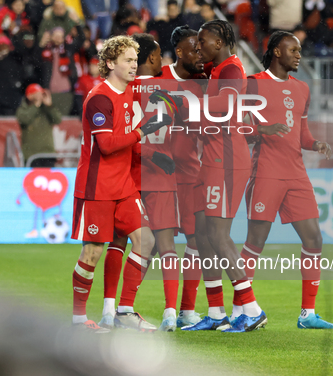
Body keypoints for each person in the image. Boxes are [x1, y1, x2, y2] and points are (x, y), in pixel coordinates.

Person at [241, 31, 333, 329]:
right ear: (276, 52)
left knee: (314, 238)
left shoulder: (302, 89)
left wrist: (316, 144)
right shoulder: (253, 84)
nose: (299, 55)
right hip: (266, 172)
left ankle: (307, 314)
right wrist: (261, 132)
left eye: (299, 50)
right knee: (255, 241)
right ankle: (242, 309)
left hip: (297, 173)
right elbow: (237, 130)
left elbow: (302, 134)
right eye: (293, 50)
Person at [70, 35, 170, 332]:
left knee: (146, 240)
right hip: (96, 187)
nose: (133, 65)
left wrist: (155, 155)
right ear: (110, 63)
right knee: (92, 253)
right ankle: (78, 319)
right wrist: (145, 130)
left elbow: (128, 143)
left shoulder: (128, 94)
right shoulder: (100, 97)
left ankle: (125, 311)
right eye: (127, 60)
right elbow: (108, 145)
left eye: (134, 60)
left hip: (123, 186)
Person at [178, 20, 272, 333]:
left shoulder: (232, 69)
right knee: (203, 233)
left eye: (202, 42)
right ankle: (217, 312)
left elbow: (228, 103)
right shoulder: (216, 70)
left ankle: (252, 308)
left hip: (228, 159)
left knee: (218, 234)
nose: (198, 47)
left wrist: (188, 103)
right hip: (213, 158)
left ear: (218, 44)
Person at [98, 33, 179, 331]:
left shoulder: (124, 90)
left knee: (118, 243)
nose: (162, 60)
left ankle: (110, 309)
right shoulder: (168, 89)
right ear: (151, 58)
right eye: (158, 55)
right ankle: (169, 312)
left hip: (128, 174)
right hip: (158, 177)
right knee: (164, 244)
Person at [160, 26, 208, 328]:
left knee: (196, 240)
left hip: (191, 173)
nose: (200, 55)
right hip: (158, 175)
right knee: (150, 244)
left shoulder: (203, 82)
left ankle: (187, 310)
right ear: (179, 51)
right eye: (194, 49)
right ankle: (125, 307)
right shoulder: (155, 79)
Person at [16, 83, 62, 167]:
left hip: (48, 153)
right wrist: (36, 105)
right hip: (32, 155)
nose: (40, 96)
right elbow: (25, 119)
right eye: (37, 93)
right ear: (29, 96)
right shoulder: (23, 110)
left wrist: (49, 105)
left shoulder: (46, 109)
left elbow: (58, 120)